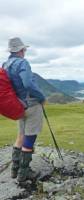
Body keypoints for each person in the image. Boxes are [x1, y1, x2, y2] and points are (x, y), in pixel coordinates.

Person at [3, 37, 46, 183]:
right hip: (31, 104)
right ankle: (24, 173)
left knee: (21, 134)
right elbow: (28, 83)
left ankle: (14, 170)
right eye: (24, 49)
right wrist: (41, 97)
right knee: (30, 137)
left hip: (18, 105)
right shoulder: (22, 62)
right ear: (21, 50)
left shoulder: (5, 64)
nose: (25, 51)